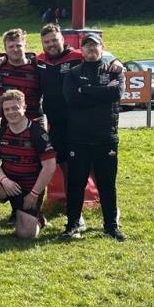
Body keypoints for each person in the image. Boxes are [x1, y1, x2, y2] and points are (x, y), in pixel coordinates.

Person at [61, 33, 126, 241]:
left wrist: (86, 90)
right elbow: (72, 99)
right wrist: (100, 92)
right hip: (78, 139)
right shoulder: (72, 73)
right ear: (82, 50)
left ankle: (110, 226)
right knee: (75, 183)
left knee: (107, 183)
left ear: (102, 48)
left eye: (94, 46)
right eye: (86, 46)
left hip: (106, 137)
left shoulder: (115, 71)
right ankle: (72, 225)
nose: (90, 49)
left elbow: (115, 95)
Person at [0, 89, 57, 240]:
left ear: (24, 107)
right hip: (8, 186)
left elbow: (49, 166)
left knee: (25, 235)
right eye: (6, 109)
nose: (11, 112)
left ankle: (37, 216)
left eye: (15, 108)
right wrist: (5, 181)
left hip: (30, 190)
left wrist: (34, 194)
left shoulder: (37, 133)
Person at [0, 29, 43, 123]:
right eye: (11, 46)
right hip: (8, 123)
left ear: (25, 46)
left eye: (18, 45)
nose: (15, 49)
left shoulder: (37, 67)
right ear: (5, 49)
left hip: (34, 121)